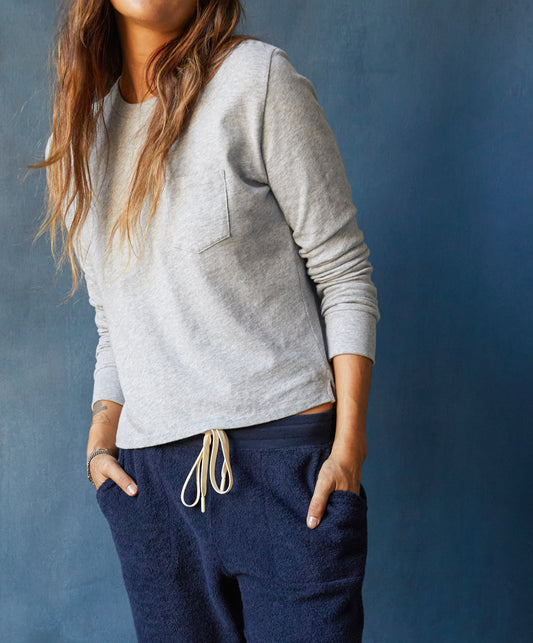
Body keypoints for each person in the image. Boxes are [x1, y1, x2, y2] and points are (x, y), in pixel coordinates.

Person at [35, 1, 380, 641]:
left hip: (287, 476)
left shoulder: (257, 82)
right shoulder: (79, 138)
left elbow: (344, 272)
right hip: (153, 494)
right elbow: (113, 320)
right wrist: (100, 441)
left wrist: (348, 448)